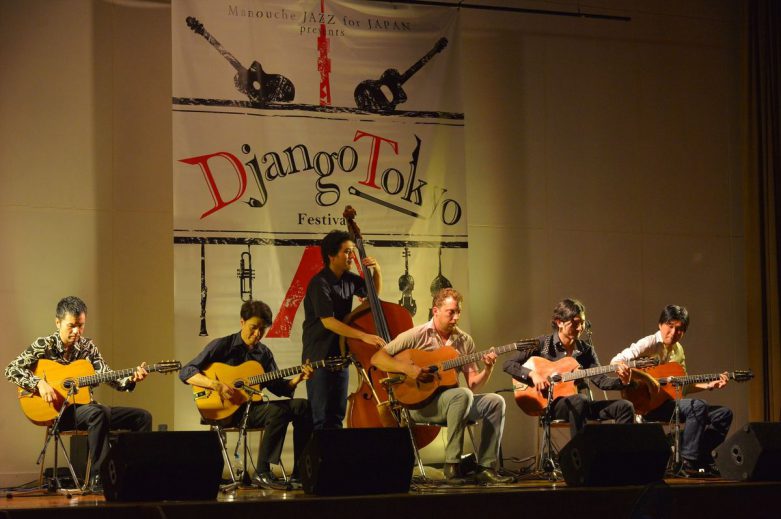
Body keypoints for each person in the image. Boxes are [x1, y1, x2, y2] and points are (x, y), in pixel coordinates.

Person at [5, 296, 152, 490]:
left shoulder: (87, 347)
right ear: (58, 323)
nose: (76, 331)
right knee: (98, 413)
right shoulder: (44, 345)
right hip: (60, 414)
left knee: (142, 417)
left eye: (81, 326)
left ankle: (138, 475)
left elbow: (108, 376)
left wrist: (131, 379)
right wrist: (38, 383)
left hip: (89, 412)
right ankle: (100, 478)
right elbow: (11, 369)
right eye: (71, 326)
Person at [370, 288, 514, 484]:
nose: (456, 317)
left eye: (458, 312)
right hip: (420, 405)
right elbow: (377, 358)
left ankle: (486, 467)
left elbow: (473, 384)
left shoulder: (464, 341)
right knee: (462, 395)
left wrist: (488, 368)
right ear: (435, 311)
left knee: (495, 401)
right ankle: (452, 466)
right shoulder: (417, 334)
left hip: (456, 402)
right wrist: (407, 369)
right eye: (451, 312)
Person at [180, 300, 313, 488]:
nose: (257, 333)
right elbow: (186, 372)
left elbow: (278, 387)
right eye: (253, 327)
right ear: (242, 322)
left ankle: (301, 472)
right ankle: (262, 472)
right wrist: (215, 385)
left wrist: (298, 379)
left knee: (303, 406)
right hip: (227, 411)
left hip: (253, 409)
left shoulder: (264, 353)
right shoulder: (222, 345)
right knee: (277, 412)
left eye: (262, 329)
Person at [610, 304, 733, 476]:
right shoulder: (649, 343)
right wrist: (647, 379)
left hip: (669, 403)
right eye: (670, 326)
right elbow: (616, 362)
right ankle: (687, 462)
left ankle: (700, 455)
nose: (674, 332)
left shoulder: (678, 350)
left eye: (680, 329)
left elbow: (682, 385)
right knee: (699, 406)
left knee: (723, 414)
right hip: (648, 406)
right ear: (660, 324)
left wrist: (708, 385)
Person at [503, 298, 635, 436]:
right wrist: (533, 375)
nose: (580, 328)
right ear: (559, 322)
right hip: (552, 405)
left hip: (580, 405)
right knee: (580, 400)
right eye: (575, 323)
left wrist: (623, 381)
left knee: (625, 407)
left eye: (582, 323)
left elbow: (602, 381)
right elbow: (508, 364)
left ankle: (618, 449)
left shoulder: (585, 350)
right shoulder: (542, 344)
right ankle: (580, 449)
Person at [302, 230, 386, 430]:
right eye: (347, 252)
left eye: (352, 251)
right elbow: (328, 322)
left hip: (340, 356)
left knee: (337, 418)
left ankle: (335, 453)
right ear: (331, 256)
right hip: (320, 357)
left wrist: (377, 271)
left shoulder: (349, 279)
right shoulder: (319, 283)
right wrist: (363, 336)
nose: (351, 256)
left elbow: (372, 298)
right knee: (321, 419)